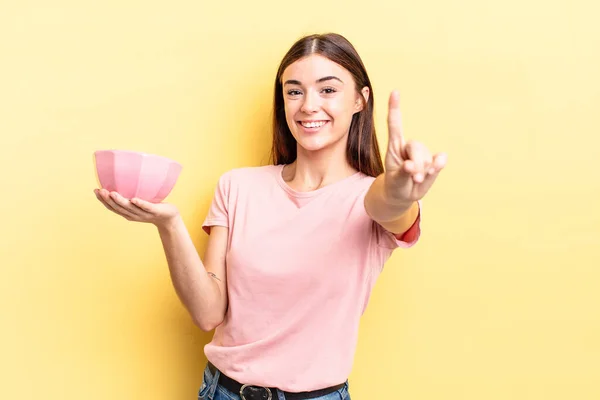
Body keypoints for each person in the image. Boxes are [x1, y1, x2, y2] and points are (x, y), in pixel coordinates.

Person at [94, 32, 446, 400]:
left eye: (328, 90)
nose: (308, 105)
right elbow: (208, 313)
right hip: (223, 392)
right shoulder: (237, 186)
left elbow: (385, 204)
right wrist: (168, 224)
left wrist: (400, 187)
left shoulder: (368, 197)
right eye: (294, 91)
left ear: (360, 99)